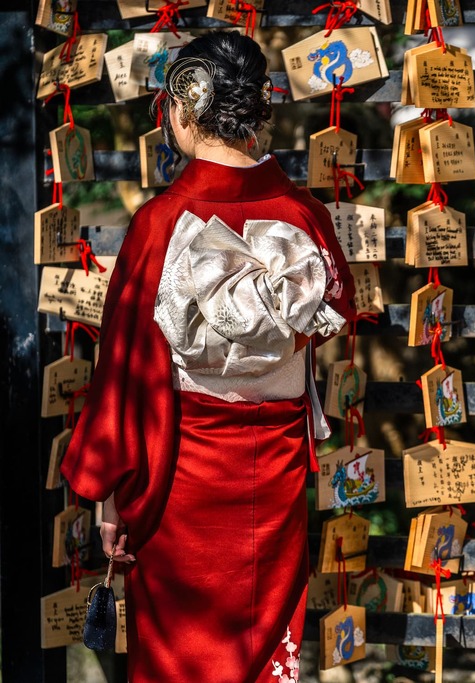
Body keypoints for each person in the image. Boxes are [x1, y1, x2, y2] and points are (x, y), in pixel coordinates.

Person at [60, 31, 356, 682]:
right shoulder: (302, 217)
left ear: (185, 111)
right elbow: (330, 317)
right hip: (272, 474)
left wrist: (106, 491)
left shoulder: (163, 221)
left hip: (183, 481)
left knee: (180, 662)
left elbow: (125, 376)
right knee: (260, 650)